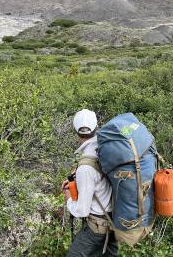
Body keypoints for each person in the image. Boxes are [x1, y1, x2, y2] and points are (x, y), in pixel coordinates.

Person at [62, 109, 119, 257]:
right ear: (96, 128)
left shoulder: (85, 168)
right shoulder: (105, 149)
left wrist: (68, 197)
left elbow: (82, 211)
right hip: (114, 222)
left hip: (97, 228)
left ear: (76, 131)